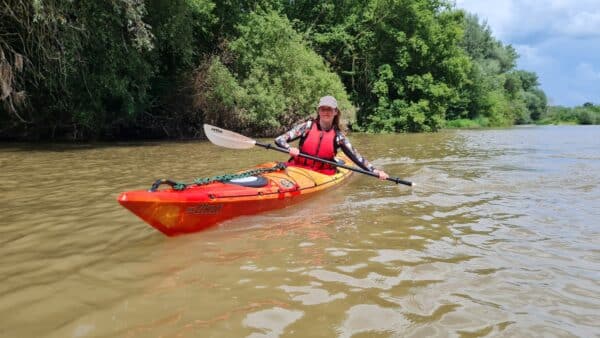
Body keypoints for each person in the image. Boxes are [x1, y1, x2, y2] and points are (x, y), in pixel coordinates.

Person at [274, 95, 389, 180]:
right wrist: (289, 148)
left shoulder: (339, 136)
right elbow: (279, 140)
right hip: (298, 167)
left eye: (329, 109)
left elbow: (356, 157)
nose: (326, 112)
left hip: (322, 173)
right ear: (318, 111)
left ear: (335, 112)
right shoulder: (306, 127)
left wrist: (375, 171)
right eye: (323, 109)